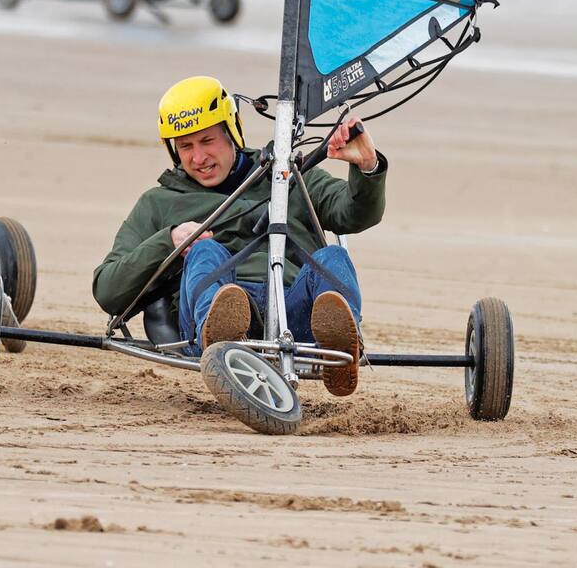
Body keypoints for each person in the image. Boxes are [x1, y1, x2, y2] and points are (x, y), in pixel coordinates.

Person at [92, 76, 386, 395]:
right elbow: (108, 290)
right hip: (218, 299)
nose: (198, 158)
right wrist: (169, 241)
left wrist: (367, 168)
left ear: (232, 131)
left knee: (334, 257)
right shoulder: (158, 203)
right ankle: (221, 337)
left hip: (294, 311)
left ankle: (340, 353)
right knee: (206, 252)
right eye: (186, 147)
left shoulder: (289, 175)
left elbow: (355, 215)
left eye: (207, 141)